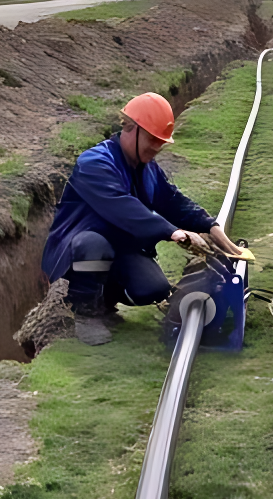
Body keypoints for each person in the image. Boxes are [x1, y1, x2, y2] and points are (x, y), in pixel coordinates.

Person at [41, 92, 246, 345]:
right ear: (131, 128)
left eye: (161, 141)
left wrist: (210, 226)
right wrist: (174, 233)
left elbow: (171, 199)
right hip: (81, 245)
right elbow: (123, 207)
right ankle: (86, 311)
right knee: (93, 244)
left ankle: (105, 301)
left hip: (120, 246)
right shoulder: (93, 163)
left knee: (152, 289)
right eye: (152, 139)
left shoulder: (146, 166)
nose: (157, 147)